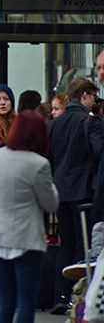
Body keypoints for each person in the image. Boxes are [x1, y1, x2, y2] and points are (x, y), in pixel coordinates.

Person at [0, 110, 59, 323]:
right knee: (26, 301)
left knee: (6, 299)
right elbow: (51, 203)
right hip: (25, 238)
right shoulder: (38, 164)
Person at [48, 77, 104, 313]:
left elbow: (49, 157)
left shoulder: (54, 124)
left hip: (60, 191)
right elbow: (99, 151)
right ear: (84, 96)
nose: (94, 101)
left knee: (65, 243)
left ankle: (60, 295)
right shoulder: (90, 123)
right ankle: (80, 297)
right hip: (84, 191)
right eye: (92, 96)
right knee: (85, 247)